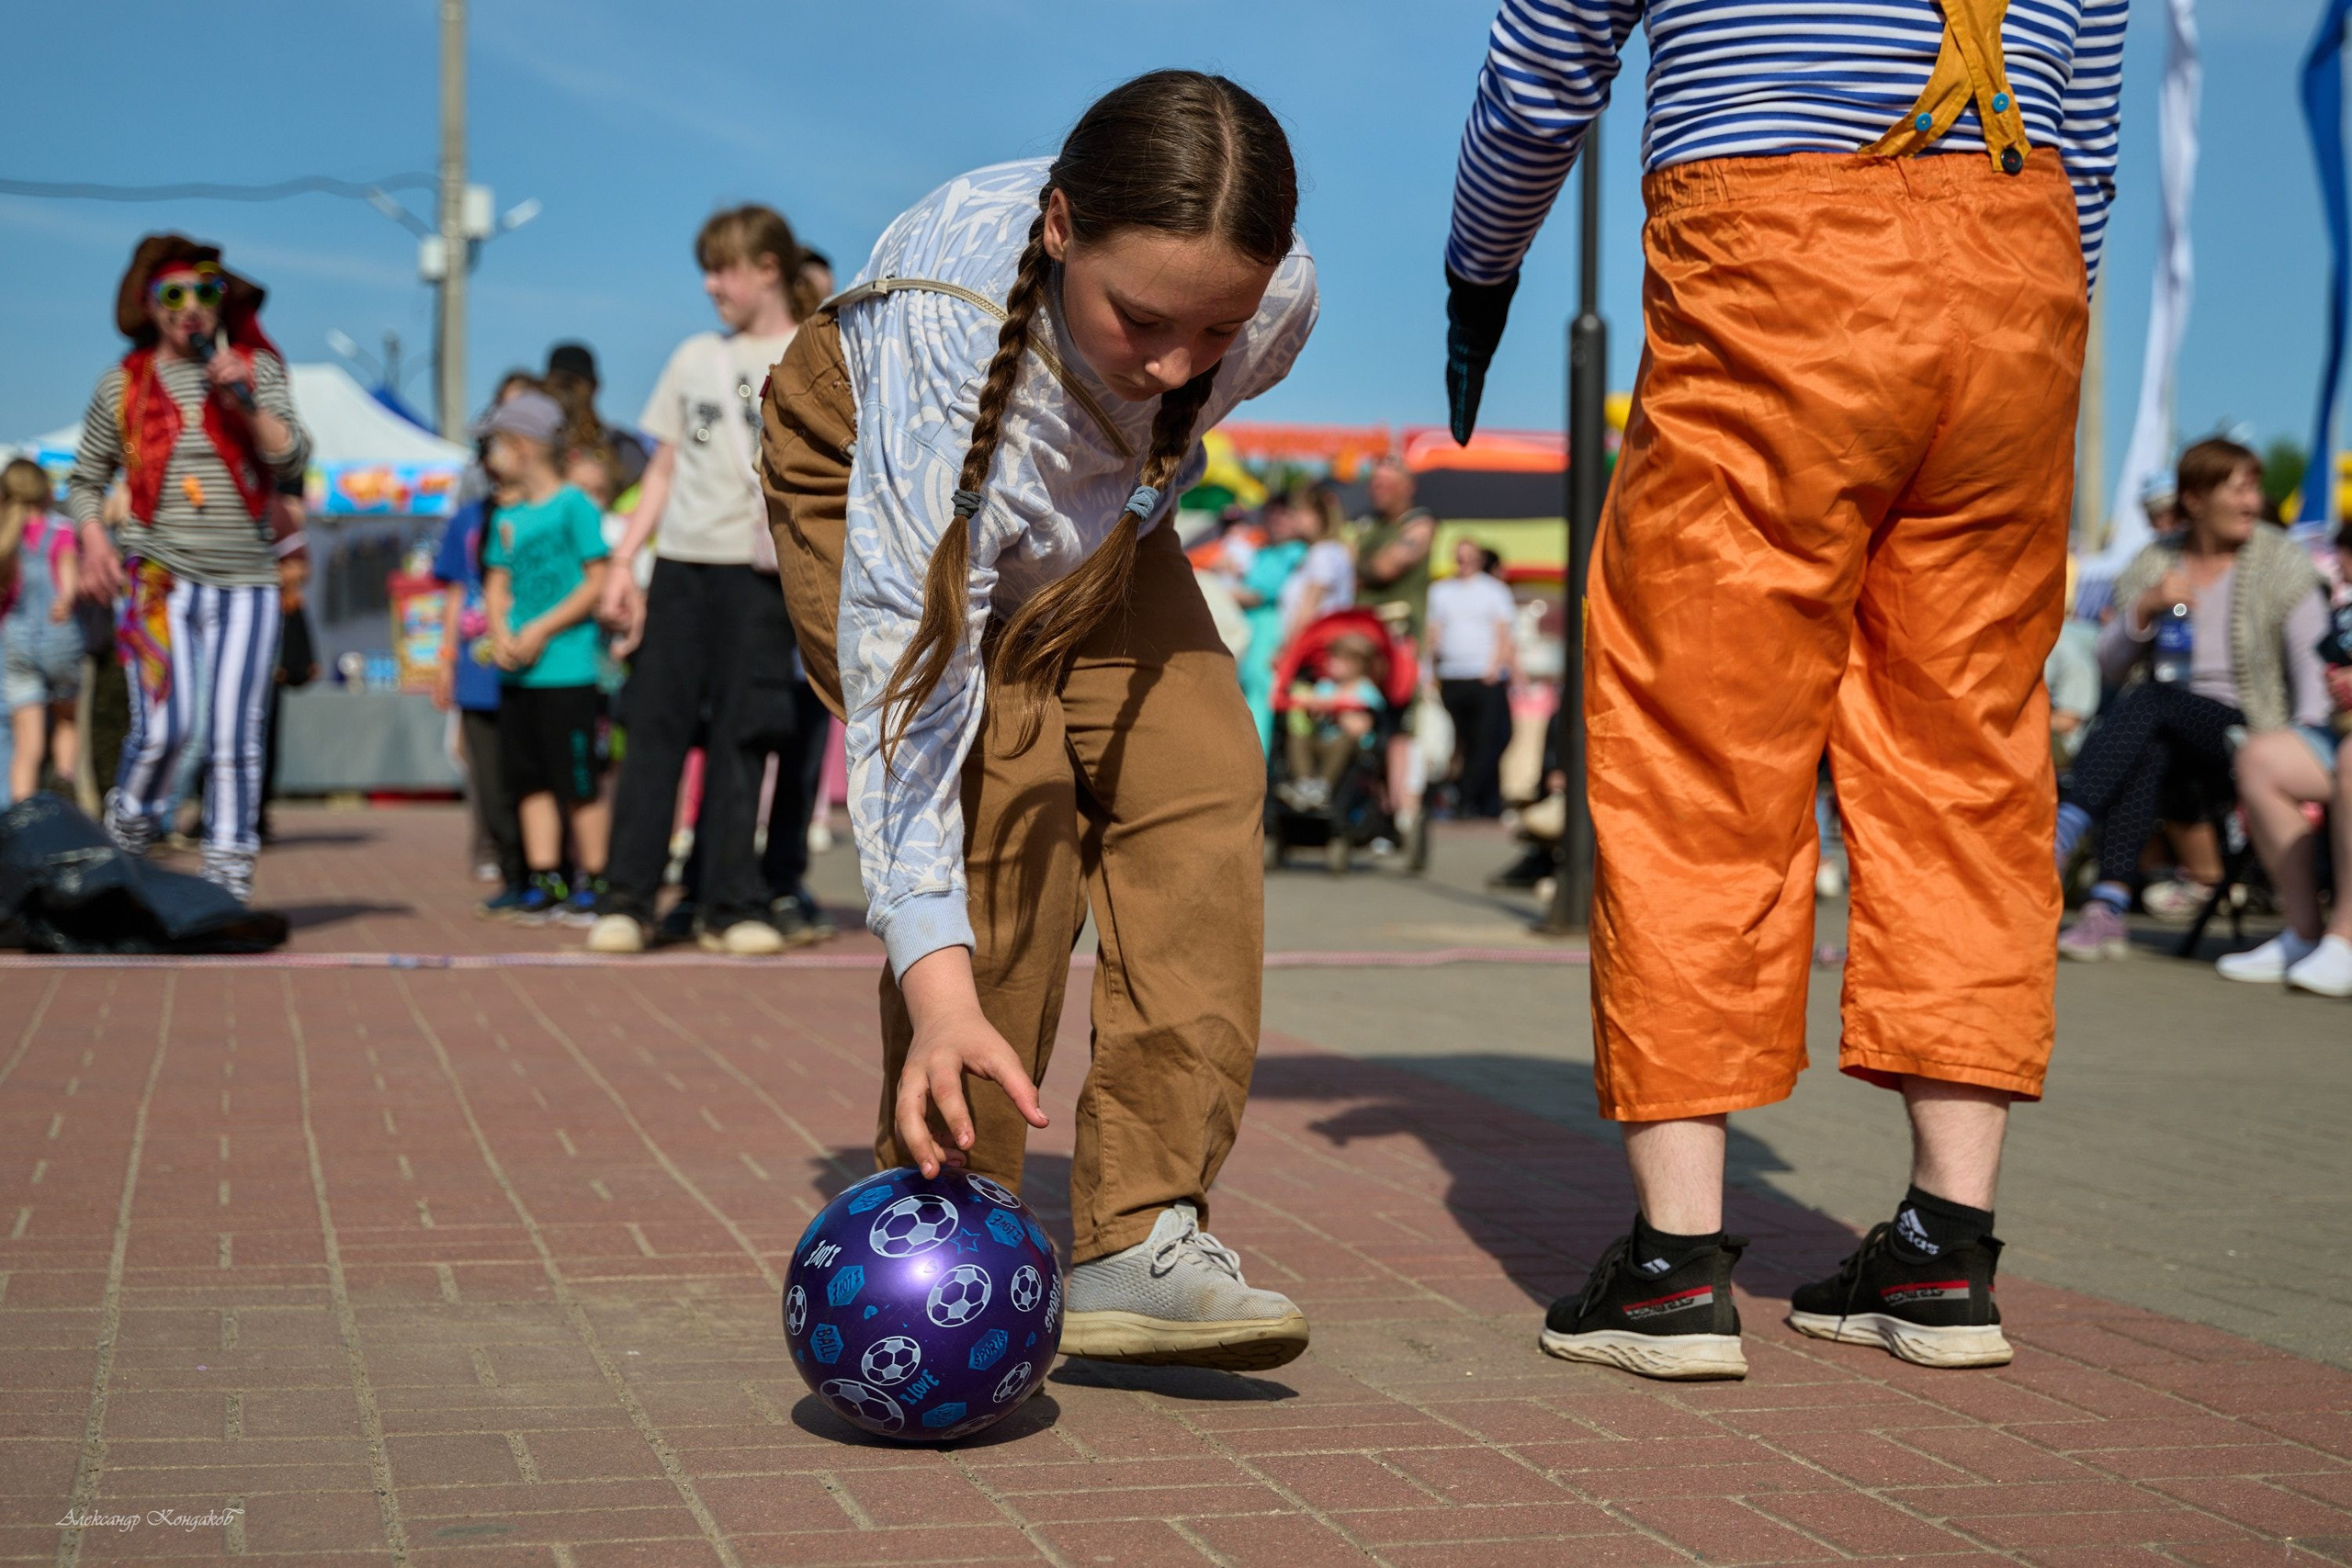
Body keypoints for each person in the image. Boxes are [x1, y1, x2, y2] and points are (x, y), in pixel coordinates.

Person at [1443, 0, 2125, 1378]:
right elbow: (2091, 129)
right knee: (1973, 756)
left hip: (1779, 249)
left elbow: (1544, 60)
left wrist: (1480, 266)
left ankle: (1674, 1270)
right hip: (2021, 260)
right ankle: (1946, 1245)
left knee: (1703, 742)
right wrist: (2027, 295)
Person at [761, 69, 1319, 1369]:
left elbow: (1171, 392)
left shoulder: (1277, 302)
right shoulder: (941, 338)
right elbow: (912, 720)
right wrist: (940, 986)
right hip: (887, 470)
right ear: (1061, 228)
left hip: (1092, 517)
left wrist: (1133, 437)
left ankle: (1140, 1235)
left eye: (1212, 329)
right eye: (1144, 323)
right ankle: (955, 1226)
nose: (1181, 363)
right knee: (1005, 798)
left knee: (1203, 780)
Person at [586, 205, 808, 956]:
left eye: (725, 268)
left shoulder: (817, 352)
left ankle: (729, 901)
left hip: (764, 574)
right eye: (707, 269)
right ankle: (627, 898)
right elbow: (664, 466)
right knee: (655, 730)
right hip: (682, 566)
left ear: (768, 268)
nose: (712, 284)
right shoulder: (691, 358)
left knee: (746, 736)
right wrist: (625, 563)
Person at [67, 234, 312, 903]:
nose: (191, 308)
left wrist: (245, 402)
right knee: (167, 730)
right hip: (159, 578)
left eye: (205, 292)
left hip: (248, 581)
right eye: (172, 295)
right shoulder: (122, 383)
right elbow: (85, 480)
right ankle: (126, 834)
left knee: (236, 733)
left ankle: (227, 876)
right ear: (149, 306)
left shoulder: (256, 370)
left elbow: (292, 460)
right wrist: (92, 539)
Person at [2056, 441, 2329, 961]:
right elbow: (2109, 665)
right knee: (2152, 735)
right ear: (2197, 498)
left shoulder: (2279, 561)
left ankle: (2064, 829)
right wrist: (2146, 608)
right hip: (2170, 731)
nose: (2253, 502)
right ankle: (2106, 908)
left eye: (2255, 488)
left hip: (2254, 730)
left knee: (2153, 701)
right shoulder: (2155, 560)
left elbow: (2310, 666)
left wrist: (2308, 745)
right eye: (2240, 488)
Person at [479, 389, 614, 923]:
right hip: (519, 674)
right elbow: (496, 579)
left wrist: (541, 628)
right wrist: (500, 632)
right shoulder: (505, 516)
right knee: (529, 778)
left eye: (497, 445)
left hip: (568, 670)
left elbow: (595, 580)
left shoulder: (573, 506)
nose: (490, 457)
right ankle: (545, 877)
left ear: (523, 446)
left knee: (578, 779)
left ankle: (596, 876)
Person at [2213, 523, 2352, 994]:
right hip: (2340, 732)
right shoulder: (2345, 609)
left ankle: (2345, 940)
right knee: (2260, 758)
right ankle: (2303, 933)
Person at [431, 460, 528, 914]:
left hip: (534, 665)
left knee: (530, 776)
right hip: (477, 668)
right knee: (487, 781)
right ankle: (510, 869)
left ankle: (543, 871)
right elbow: (453, 593)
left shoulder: (546, 509)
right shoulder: (466, 517)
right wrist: (446, 660)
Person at [2, 459, 82, 802]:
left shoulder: (6, 532)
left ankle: (22, 822)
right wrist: (65, 599)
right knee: (66, 722)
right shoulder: (60, 529)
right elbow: (68, 587)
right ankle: (65, 784)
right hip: (59, 637)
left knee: (26, 747)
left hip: (15, 642)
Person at [1426, 539, 1518, 818]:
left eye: (1469, 557)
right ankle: (1465, 799)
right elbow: (1433, 633)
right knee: (1456, 742)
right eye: (1459, 556)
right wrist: (1429, 669)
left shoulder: (1494, 591)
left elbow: (1503, 632)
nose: (1463, 562)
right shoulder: (1441, 591)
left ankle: (1470, 799)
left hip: (1483, 677)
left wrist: (1495, 667)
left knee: (1487, 740)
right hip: (1452, 676)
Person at [1232, 493, 1309, 748]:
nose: (1278, 519)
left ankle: (1256, 766)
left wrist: (1211, 589)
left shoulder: (1297, 552)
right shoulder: (1262, 552)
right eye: (1273, 512)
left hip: (1269, 631)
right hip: (1248, 629)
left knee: (1258, 695)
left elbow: (1257, 594)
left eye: (1285, 512)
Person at [1279, 632, 1384, 810]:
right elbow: (1313, 717)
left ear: (1355, 665)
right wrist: (1313, 707)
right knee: (1298, 736)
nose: (1329, 663)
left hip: (1348, 750)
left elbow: (1360, 729)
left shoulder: (1367, 692)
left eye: (1337, 660)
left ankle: (1322, 787)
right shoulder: (1325, 686)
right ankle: (1305, 784)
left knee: (1343, 740)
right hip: (1320, 741)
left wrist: (1337, 709)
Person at [542, 344, 651, 497]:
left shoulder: (617, 443)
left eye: (573, 385)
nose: (567, 395)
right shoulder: (535, 440)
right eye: (559, 385)